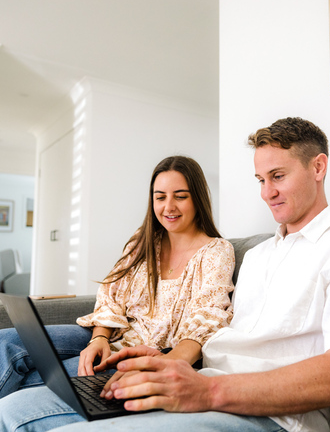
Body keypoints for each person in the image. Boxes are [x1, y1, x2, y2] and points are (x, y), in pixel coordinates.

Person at [0, 117, 330, 432]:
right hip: (202, 384)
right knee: (14, 408)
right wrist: (161, 360)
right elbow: (216, 333)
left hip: (274, 416)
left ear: (319, 167)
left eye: (278, 176)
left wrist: (205, 389)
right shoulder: (263, 254)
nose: (267, 193)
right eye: (261, 180)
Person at [0, 155, 234, 398]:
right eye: (160, 197)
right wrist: (98, 338)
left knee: (35, 381)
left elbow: (209, 317)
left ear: (198, 198)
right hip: (110, 336)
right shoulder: (141, 243)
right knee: (6, 341)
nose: (169, 207)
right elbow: (111, 295)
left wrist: (168, 364)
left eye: (181, 196)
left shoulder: (217, 251)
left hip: (141, 357)